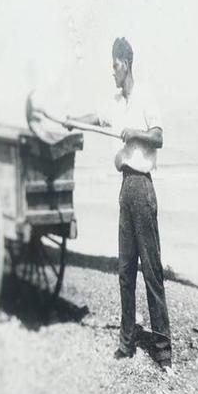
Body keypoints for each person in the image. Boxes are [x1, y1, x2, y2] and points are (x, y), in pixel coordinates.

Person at [69, 36, 172, 369]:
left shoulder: (146, 96)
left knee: (152, 271)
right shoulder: (114, 101)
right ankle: (127, 343)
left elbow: (158, 136)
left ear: (125, 64)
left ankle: (163, 349)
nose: (111, 72)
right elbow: (97, 119)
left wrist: (134, 132)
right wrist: (73, 120)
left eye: (114, 66)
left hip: (143, 188)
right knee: (125, 270)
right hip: (126, 187)